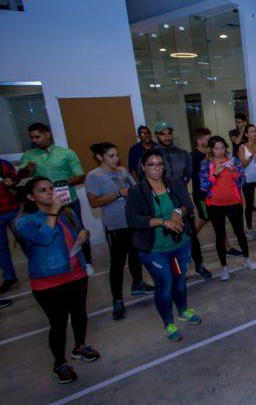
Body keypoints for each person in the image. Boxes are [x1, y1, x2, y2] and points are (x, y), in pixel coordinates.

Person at [15, 177, 100, 383]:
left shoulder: (67, 213)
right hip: (48, 282)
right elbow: (44, 238)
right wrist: (53, 211)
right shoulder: (25, 221)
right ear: (31, 197)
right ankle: (60, 363)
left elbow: (79, 231)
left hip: (76, 274)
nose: (49, 193)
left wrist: (84, 233)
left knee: (80, 314)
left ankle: (80, 346)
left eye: (51, 189)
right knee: (58, 323)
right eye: (42, 190)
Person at [126, 149, 202, 342]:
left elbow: (188, 206)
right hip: (155, 249)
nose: (157, 169)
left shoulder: (175, 183)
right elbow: (133, 219)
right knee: (165, 284)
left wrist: (178, 211)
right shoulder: (137, 191)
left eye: (160, 164)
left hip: (180, 244)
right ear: (143, 167)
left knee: (180, 280)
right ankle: (169, 323)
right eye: (151, 165)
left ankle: (183, 311)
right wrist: (163, 222)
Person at [85, 143, 152, 320]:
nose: (116, 159)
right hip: (115, 225)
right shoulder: (94, 176)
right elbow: (93, 202)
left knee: (136, 254)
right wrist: (117, 194)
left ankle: (138, 284)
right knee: (117, 263)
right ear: (100, 157)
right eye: (111, 156)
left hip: (133, 221)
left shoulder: (122, 171)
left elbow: (135, 190)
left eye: (117, 155)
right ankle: (117, 299)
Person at [19, 123, 93, 275]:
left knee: (79, 231)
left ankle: (86, 262)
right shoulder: (29, 156)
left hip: (68, 201)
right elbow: (21, 178)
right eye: (32, 138)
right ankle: (58, 263)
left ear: (48, 134)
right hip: (42, 206)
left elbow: (80, 176)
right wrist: (26, 170)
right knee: (50, 234)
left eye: (37, 136)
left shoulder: (66, 153)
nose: (34, 140)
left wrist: (58, 187)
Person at [152, 121, 213, 279]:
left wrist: (178, 189)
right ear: (156, 136)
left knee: (191, 234)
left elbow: (188, 174)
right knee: (168, 238)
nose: (167, 137)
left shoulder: (183, 154)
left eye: (169, 133)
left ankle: (199, 265)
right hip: (162, 203)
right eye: (162, 134)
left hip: (183, 200)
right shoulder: (151, 156)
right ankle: (171, 273)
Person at [200, 136, 256, 280]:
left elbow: (242, 181)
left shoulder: (234, 161)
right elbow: (203, 186)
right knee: (220, 236)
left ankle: (247, 259)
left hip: (234, 204)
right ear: (211, 150)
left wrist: (233, 171)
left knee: (240, 233)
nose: (220, 151)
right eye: (216, 149)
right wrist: (215, 173)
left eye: (222, 148)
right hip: (215, 206)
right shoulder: (206, 164)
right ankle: (224, 267)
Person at [0, 158, 20, 293]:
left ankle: (40, 270)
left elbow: (16, 180)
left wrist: (11, 183)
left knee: (26, 241)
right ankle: (10, 277)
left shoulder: (3, 164)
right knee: (1, 248)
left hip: (12, 210)